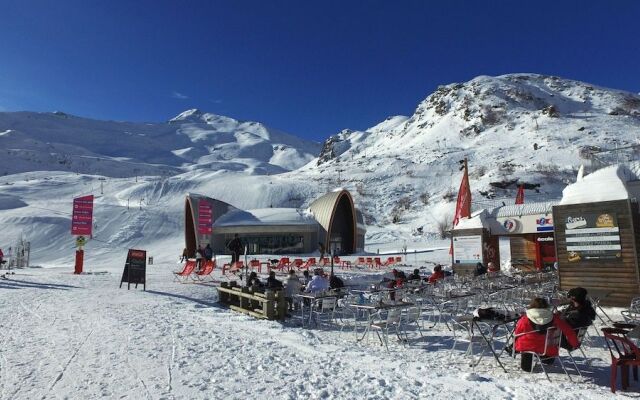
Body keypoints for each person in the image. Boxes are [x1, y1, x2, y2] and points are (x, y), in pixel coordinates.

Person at [514, 297, 578, 371]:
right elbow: (568, 330)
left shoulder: (525, 318)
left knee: (526, 367)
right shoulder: (554, 317)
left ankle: (528, 361)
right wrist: (575, 344)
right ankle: (546, 358)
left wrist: (514, 344)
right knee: (548, 359)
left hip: (528, 346)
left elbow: (517, 332)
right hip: (547, 347)